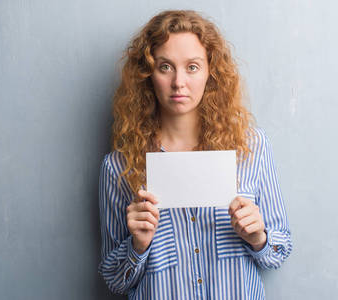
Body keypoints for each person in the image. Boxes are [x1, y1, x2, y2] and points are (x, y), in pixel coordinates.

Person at [98, 9, 293, 299]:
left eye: (192, 67)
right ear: (148, 74)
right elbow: (115, 281)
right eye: (165, 67)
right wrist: (138, 246)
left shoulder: (252, 147)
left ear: (210, 72)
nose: (179, 82)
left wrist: (259, 238)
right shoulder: (119, 167)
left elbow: (280, 251)